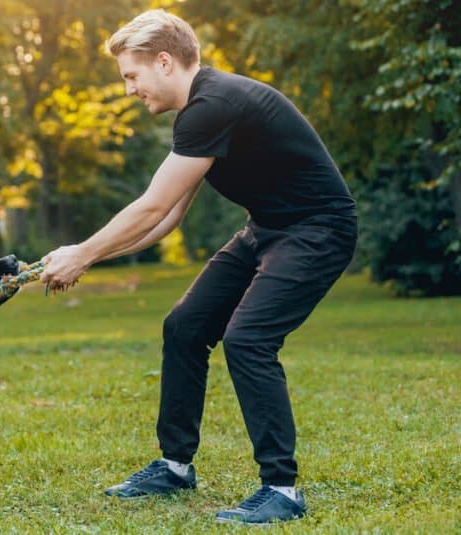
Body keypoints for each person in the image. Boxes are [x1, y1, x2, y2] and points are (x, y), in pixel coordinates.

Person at [39, 9, 357, 525]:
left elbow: (148, 205)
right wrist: (89, 258)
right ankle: (175, 466)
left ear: (164, 62)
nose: (129, 90)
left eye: (131, 76)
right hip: (268, 230)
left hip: (317, 231)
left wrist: (83, 251)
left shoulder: (214, 105)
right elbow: (165, 218)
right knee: (185, 327)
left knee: (249, 339)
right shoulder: (202, 112)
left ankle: (282, 489)